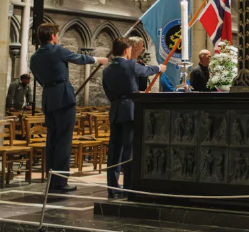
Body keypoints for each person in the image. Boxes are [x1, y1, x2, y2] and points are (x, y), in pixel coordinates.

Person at [30, 23, 108, 193]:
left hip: (48, 97)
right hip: (63, 97)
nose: (58, 38)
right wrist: (97, 59)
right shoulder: (57, 50)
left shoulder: (34, 57)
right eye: (57, 35)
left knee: (52, 140)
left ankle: (51, 178)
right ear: (52, 36)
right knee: (64, 140)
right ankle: (60, 182)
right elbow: (78, 58)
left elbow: (39, 79)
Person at [103, 37, 164, 198]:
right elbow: (145, 71)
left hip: (115, 110)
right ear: (126, 50)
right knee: (129, 150)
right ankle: (129, 186)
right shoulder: (130, 65)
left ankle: (112, 188)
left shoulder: (107, 70)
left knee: (114, 151)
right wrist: (159, 68)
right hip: (130, 109)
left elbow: (108, 92)